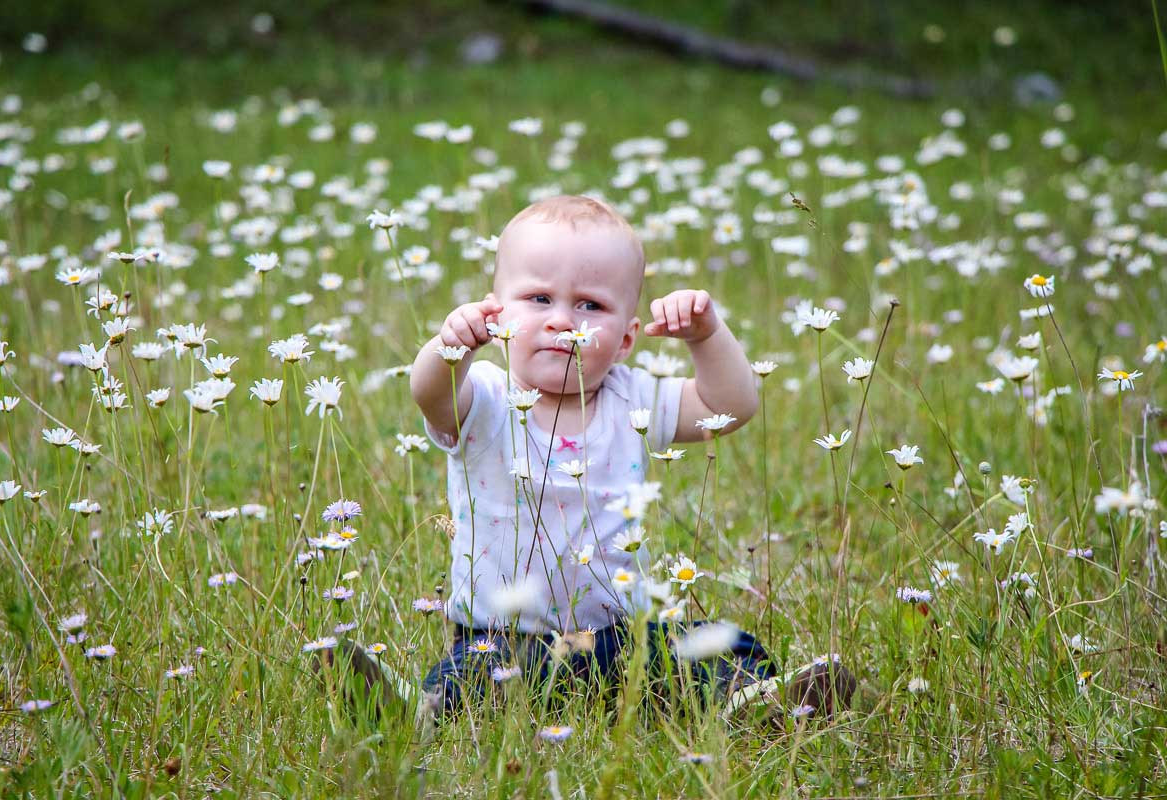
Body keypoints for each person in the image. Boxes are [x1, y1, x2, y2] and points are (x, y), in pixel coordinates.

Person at [325, 195, 854, 723]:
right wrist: (449, 351)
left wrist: (707, 337)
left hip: (623, 637)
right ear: (495, 313)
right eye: (537, 298)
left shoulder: (633, 398)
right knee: (477, 677)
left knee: (715, 647)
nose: (562, 321)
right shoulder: (484, 397)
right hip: (507, 636)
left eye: (590, 306)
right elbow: (430, 397)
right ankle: (413, 713)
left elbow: (728, 407)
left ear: (625, 339)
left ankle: (752, 703)